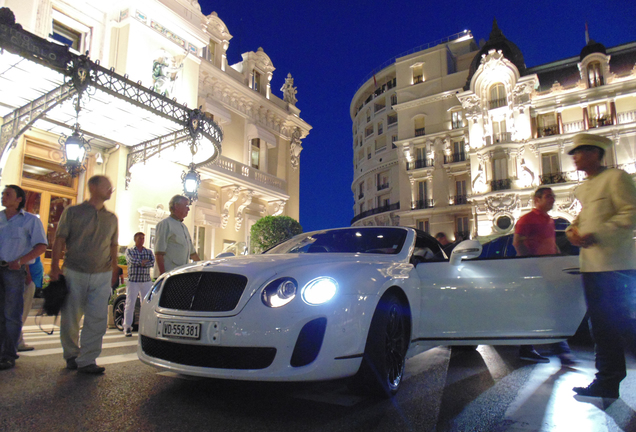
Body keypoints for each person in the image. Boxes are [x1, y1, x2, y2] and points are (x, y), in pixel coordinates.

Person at [564, 133, 636, 399]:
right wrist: (572, 231)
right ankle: (607, 381)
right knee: (602, 326)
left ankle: (608, 379)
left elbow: (631, 212)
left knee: (623, 324)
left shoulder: (616, 178)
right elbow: (580, 218)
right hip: (592, 266)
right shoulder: (584, 188)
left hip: (616, 265)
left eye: (579, 152)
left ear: (595, 153)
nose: (574, 157)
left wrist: (599, 233)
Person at [50, 175, 119, 375]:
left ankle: (88, 359)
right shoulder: (73, 212)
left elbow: (113, 245)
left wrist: (114, 267)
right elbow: (60, 239)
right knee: (71, 315)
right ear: (93, 187)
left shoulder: (111, 218)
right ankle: (71, 354)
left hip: (102, 273)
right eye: (107, 186)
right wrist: (55, 266)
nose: (110, 189)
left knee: (97, 318)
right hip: (74, 270)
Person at [512, 186, 577, 366]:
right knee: (551, 309)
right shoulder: (527, 220)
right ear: (537, 200)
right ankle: (561, 351)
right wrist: (532, 264)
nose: (552, 199)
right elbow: (517, 243)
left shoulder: (549, 221)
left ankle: (529, 348)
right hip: (537, 274)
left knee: (543, 309)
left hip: (550, 272)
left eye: (553, 196)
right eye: (548, 196)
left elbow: (551, 244)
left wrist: (557, 259)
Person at [0, 185, 47, 370]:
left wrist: (20, 262)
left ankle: (9, 354)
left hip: (13, 271)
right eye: (3, 194)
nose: (3, 197)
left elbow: (41, 246)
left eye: (8, 194)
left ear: (19, 199)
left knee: (12, 314)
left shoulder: (30, 221)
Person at [155, 195, 199, 276]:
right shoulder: (165, 224)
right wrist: (163, 276)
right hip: (170, 275)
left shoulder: (184, 227)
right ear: (176, 206)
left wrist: (201, 268)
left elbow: (193, 254)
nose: (188, 209)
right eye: (186, 206)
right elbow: (159, 253)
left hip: (180, 274)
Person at [124, 232, 155, 337]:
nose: (142, 240)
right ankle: (127, 327)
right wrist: (143, 262)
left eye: (143, 238)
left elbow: (152, 262)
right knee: (130, 303)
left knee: (146, 304)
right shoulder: (130, 251)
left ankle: (145, 326)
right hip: (133, 280)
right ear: (135, 239)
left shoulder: (148, 251)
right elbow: (131, 261)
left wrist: (141, 262)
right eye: (139, 238)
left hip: (146, 280)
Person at [17, 256, 43, 352]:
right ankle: (17, 341)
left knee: (20, 313)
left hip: (30, 280)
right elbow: (24, 255)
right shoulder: (30, 243)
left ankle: (17, 340)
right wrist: (27, 276)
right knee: (20, 313)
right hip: (26, 281)